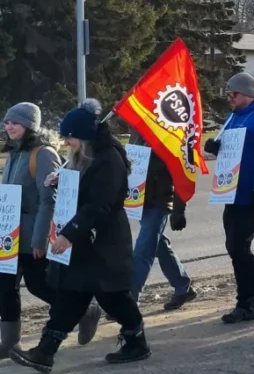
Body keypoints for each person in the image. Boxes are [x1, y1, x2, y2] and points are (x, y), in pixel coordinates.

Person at [10, 99, 151, 372]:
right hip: (86, 241)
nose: (66, 142)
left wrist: (68, 235)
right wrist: (61, 179)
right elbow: (82, 187)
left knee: (113, 296)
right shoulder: (88, 155)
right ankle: (45, 351)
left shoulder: (109, 159)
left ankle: (137, 340)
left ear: (84, 136)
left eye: (69, 137)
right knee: (71, 293)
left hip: (104, 239)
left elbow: (99, 204)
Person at [0, 103, 79, 358]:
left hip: (32, 234)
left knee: (38, 285)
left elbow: (49, 200)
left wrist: (40, 240)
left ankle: (82, 308)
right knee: (4, 287)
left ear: (29, 126)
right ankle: (10, 344)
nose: (9, 126)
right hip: (9, 236)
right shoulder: (13, 153)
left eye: (15, 122)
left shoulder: (42, 154)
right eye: (7, 122)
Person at [204, 73, 254, 323]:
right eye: (228, 94)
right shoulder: (235, 116)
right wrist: (216, 146)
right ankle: (244, 300)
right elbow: (231, 146)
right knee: (233, 247)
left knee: (239, 246)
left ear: (247, 93)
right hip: (232, 191)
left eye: (233, 94)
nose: (230, 99)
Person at [128, 132, 196, 311]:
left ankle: (128, 299)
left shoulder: (169, 132)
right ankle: (183, 286)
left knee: (143, 248)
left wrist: (179, 210)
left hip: (160, 201)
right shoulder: (137, 134)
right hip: (141, 200)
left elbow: (182, 172)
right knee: (158, 245)